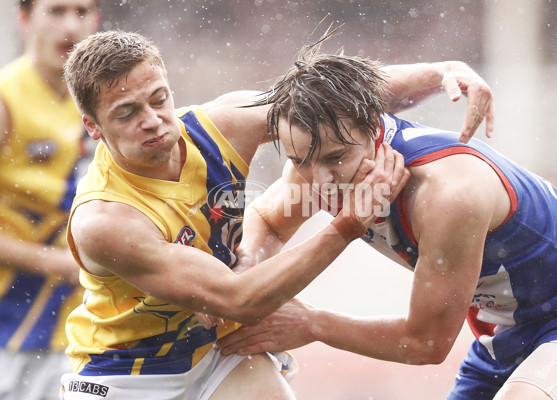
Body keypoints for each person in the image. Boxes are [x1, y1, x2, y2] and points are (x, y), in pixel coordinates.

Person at [59, 29, 494, 399]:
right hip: (122, 375)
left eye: (159, 99)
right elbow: (239, 301)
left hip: (217, 351)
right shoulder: (106, 220)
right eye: (128, 113)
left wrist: (442, 73)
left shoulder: (222, 126)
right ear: (93, 126)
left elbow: (334, 100)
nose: (153, 121)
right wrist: (348, 223)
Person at [215, 41, 557, 399]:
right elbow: (266, 222)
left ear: (376, 127)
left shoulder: (447, 196)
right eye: (300, 161)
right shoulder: (319, 152)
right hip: (504, 329)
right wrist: (246, 272)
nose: (320, 182)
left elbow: (426, 344)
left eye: (336, 159)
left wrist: (313, 324)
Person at [0, 1, 100, 399]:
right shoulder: (7, 99)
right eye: (56, 11)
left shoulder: (109, 101)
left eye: (82, 11)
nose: (71, 26)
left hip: (85, 329)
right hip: (13, 328)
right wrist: (62, 265)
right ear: (24, 19)